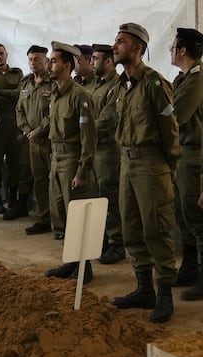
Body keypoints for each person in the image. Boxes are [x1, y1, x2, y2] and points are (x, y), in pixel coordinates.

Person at [110, 23, 180, 324]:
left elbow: (170, 131)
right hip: (127, 164)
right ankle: (144, 289)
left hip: (152, 166)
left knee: (157, 230)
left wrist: (169, 167)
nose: (115, 46)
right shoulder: (122, 86)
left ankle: (164, 294)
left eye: (121, 42)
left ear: (137, 48)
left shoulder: (154, 84)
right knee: (132, 228)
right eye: (116, 41)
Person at [42, 41, 96, 283]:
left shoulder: (80, 96)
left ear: (67, 65)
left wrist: (83, 170)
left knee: (77, 216)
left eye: (53, 61)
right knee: (60, 213)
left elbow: (88, 138)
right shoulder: (54, 93)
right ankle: (71, 262)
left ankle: (85, 268)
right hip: (56, 158)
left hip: (73, 159)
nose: (49, 64)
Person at [170, 28, 203, 301]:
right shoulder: (182, 79)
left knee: (197, 218)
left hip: (195, 155)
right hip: (183, 154)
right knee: (183, 215)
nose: (170, 50)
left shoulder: (196, 79)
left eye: (173, 47)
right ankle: (191, 267)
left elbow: (175, 115)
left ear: (182, 51)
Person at [90, 43, 125, 264]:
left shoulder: (117, 86)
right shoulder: (96, 85)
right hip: (94, 149)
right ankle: (101, 239)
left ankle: (117, 243)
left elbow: (105, 118)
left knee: (109, 197)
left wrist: (83, 131)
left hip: (108, 150)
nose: (92, 62)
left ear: (109, 61)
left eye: (95, 58)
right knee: (96, 195)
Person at [0, 43, 27, 218]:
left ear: (6, 54)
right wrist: (10, 94)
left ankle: (13, 197)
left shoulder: (18, 73)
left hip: (15, 121)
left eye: (1, 53)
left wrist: (1, 92)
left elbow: (21, 94)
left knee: (15, 161)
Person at [16, 45, 54, 236]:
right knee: (39, 181)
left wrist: (39, 130)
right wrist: (27, 130)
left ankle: (59, 221)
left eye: (37, 59)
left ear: (46, 61)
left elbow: (55, 112)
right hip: (33, 141)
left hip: (49, 141)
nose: (33, 63)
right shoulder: (25, 83)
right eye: (30, 59)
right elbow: (19, 110)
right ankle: (44, 218)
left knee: (54, 181)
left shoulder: (53, 83)